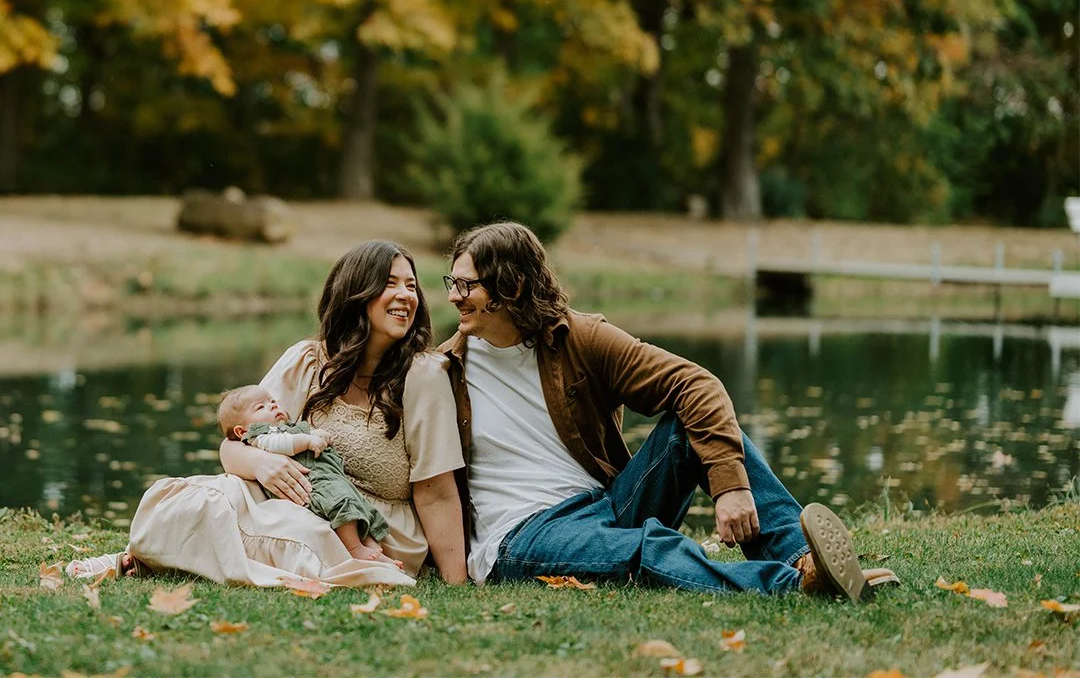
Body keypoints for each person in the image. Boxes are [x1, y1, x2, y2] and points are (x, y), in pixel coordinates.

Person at [439, 221, 900, 600]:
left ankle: (802, 555)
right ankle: (797, 586)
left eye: (466, 285)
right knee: (649, 547)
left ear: (513, 285)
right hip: (524, 536)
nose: (454, 296)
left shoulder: (578, 339)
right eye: (452, 284)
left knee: (689, 428)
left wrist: (730, 484)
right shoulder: (444, 370)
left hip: (605, 507)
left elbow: (696, 384)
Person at [68, 241, 467, 587]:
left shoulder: (423, 377)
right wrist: (261, 464)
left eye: (411, 286)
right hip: (290, 505)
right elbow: (234, 445)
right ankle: (142, 554)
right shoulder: (306, 361)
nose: (406, 296)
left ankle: (156, 559)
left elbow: (436, 493)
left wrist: (457, 582)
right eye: (390, 283)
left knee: (264, 526)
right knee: (199, 497)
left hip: (368, 529)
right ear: (355, 293)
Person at [217, 383, 398, 568]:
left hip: (331, 479)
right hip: (313, 485)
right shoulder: (261, 437)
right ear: (242, 431)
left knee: (363, 508)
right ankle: (354, 549)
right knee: (341, 502)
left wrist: (318, 434)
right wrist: (308, 440)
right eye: (261, 407)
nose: (272, 406)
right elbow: (280, 443)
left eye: (272, 401)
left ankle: (374, 549)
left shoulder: (289, 428)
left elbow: (299, 435)